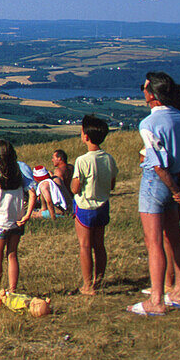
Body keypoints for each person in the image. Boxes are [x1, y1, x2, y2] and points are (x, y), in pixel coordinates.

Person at [129, 72, 180, 316]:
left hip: (155, 185)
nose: (143, 92)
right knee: (175, 238)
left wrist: (173, 188)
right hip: (177, 180)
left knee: (154, 242)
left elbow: (157, 164)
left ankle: (156, 300)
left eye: (144, 88)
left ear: (151, 95)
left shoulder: (148, 124)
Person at [0, 139, 37, 300]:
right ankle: (12, 291)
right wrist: (27, 215)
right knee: (12, 255)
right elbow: (32, 193)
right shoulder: (19, 173)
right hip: (17, 222)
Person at [71, 115, 117, 295]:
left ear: (86, 136)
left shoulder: (82, 160)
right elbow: (112, 184)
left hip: (85, 207)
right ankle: (99, 280)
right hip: (103, 205)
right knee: (99, 245)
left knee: (84, 246)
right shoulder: (109, 158)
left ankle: (87, 285)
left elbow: (75, 188)